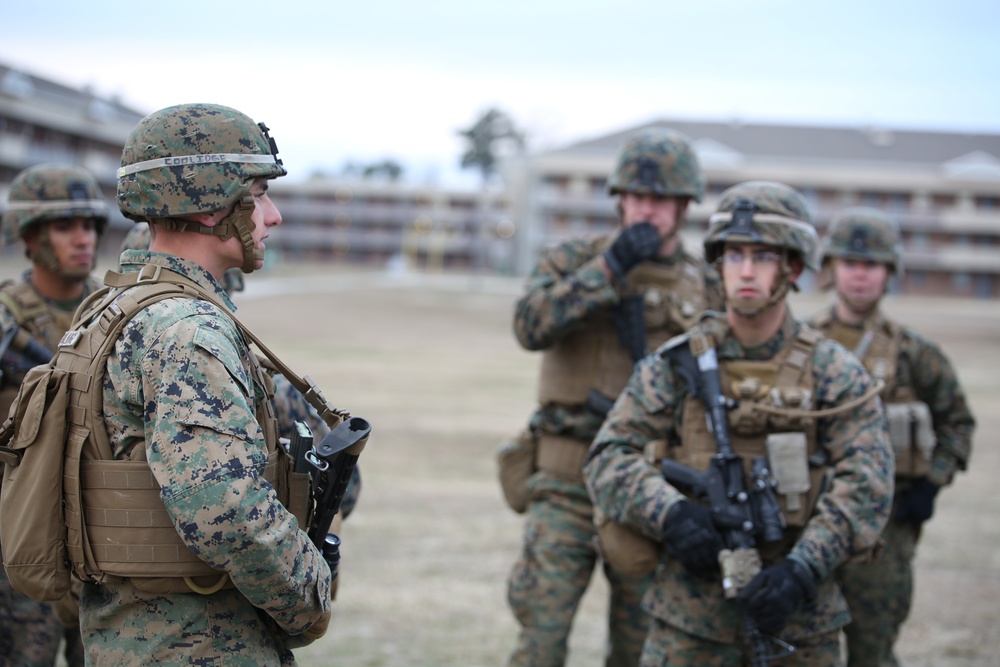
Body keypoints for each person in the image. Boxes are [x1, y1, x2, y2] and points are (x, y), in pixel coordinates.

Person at [585, 181, 895, 666]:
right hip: (689, 621)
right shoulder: (677, 364)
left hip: (800, 621)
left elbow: (868, 484)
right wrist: (669, 513)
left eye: (763, 257)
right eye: (734, 256)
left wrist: (803, 569)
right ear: (718, 264)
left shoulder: (834, 372)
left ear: (793, 267)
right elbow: (607, 457)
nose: (746, 271)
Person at [71, 103, 334, 665]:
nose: (273, 216)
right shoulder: (188, 330)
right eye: (260, 194)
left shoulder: (117, 305)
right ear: (215, 206)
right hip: (195, 642)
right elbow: (225, 509)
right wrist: (311, 595)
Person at [502, 127, 723, 667]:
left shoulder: (707, 288)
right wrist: (609, 270)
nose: (649, 210)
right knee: (542, 639)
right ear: (620, 199)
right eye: (638, 197)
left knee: (641, 646)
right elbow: (530, 326)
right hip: (565, 480)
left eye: (662, 200)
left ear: (685, 205)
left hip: (653, 488)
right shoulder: (573, 261)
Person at [809, 207, 975, 667]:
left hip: (884, 530)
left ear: (889, 273)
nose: (860, 275)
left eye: (872, 264)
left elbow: (958, 423)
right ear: (832, 267)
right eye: (850, 262)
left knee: (872, 651)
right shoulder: (802, 344)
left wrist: (930, 484)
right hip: (806, 523)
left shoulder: (913, 353)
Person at [0, 163, 106, 667]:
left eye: (89, 226)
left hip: (102, 537)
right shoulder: (6, 318)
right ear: (30, 237)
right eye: (66, 227)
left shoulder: (114, 312)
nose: (82, 239)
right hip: (21, 540)